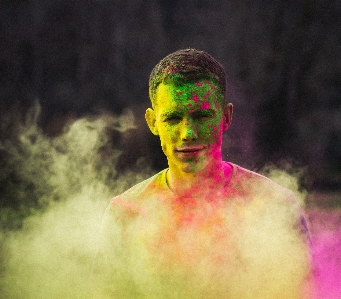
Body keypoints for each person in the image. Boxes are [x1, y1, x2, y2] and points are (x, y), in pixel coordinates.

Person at [92, 49, 312, 299]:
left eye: (202, 115)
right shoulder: (126, 214)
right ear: (153, 122)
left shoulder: (274, 207)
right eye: (173, 118)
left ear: (226, 117)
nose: (188, 133)